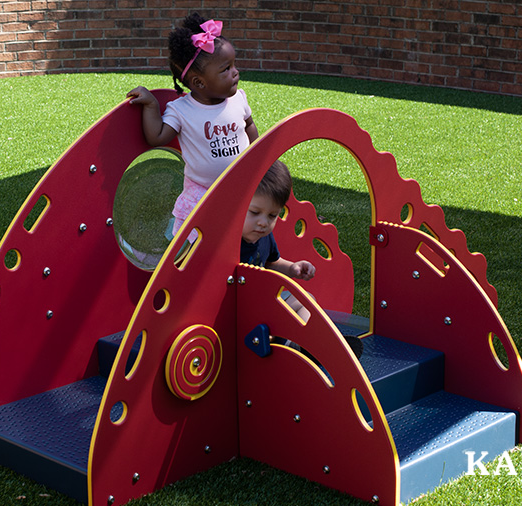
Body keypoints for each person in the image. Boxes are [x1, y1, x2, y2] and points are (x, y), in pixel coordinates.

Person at [127, 13, 259, 237]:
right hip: (201, 191)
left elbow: (249, 126)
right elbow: (157, 136)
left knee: (238, 233)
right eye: (226, 69)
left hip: (241, 184)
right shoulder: (182, 110)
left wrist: (260, 158)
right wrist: (150, 104)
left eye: (234, 65)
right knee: (196, 240)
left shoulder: (238, 99)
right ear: (199, 82)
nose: (235, 72)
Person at [241, 160, 364, 359]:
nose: (263, 223)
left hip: (265, 310)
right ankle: (304, 348)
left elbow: (272, 263)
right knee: (295, 308)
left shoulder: (264, 238)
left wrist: (293, 268)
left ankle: (310, 347)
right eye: (255, 213)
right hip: (245, 318)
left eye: (272, 215)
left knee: (307, 300)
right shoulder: (230, 244)